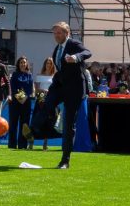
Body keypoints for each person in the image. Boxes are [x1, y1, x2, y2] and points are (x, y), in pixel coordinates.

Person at [25, 22, 91, 169]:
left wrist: (76, 57)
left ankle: (65, 160)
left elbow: (87, 52)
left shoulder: (73, 43)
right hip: (59, 85)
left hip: (74, 89)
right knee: (47, 105)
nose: (56, 36)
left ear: (66, 33)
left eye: (59, 33)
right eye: (54, 33)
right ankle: (33, 129)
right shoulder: (57, 49)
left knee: (68, 124)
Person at [8, 56, 34, 149]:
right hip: (15, 102)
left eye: (24, 62)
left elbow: (30, 89)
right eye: (21, 63)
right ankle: (12, 145)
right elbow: (13, 87)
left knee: (24, 124)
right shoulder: (14, 74)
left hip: (26, 103)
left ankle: (23, 145)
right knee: (13, 123)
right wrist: (20, 98)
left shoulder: (29, 75)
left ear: (26, 64)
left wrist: (24, 98)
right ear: (18, 64)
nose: (23, 64)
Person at [33, 57, 56, 151]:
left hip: (50, 102)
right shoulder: (39, 75)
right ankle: (31, 142)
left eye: (50, 63)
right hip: (40, 101)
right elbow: (36, 89)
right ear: (45, 64)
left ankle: (45, 144)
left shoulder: (55, 77)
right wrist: (43, 90)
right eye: (47, 63)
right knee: (36, 122)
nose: (49, 65)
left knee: (48, 123)